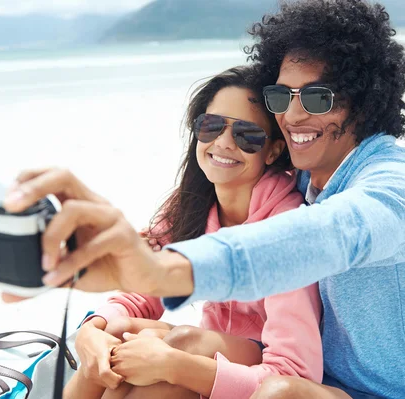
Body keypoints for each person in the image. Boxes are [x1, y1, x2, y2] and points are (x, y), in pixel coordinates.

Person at [3, 0, 405, 398]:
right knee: (142, 340)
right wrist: (101, 311)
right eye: (281, 97)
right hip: (327, 386)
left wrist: (168, 271)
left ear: (365, 99)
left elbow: (325, 237)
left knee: (277, 393)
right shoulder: (310, 181)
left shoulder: (401, 186)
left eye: (317, 99)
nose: (293, 115)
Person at [62, 65, 332, 399]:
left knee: (182, 343)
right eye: (211, 126)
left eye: (247, 135)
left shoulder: (286, 229)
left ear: (273, 150)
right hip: (211, 353)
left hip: (263, 371)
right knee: (116, 334)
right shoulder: (191, 204)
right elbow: (140, 291)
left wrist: (173, 365)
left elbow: (293, 372)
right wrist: (92, 330)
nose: (222, 142)